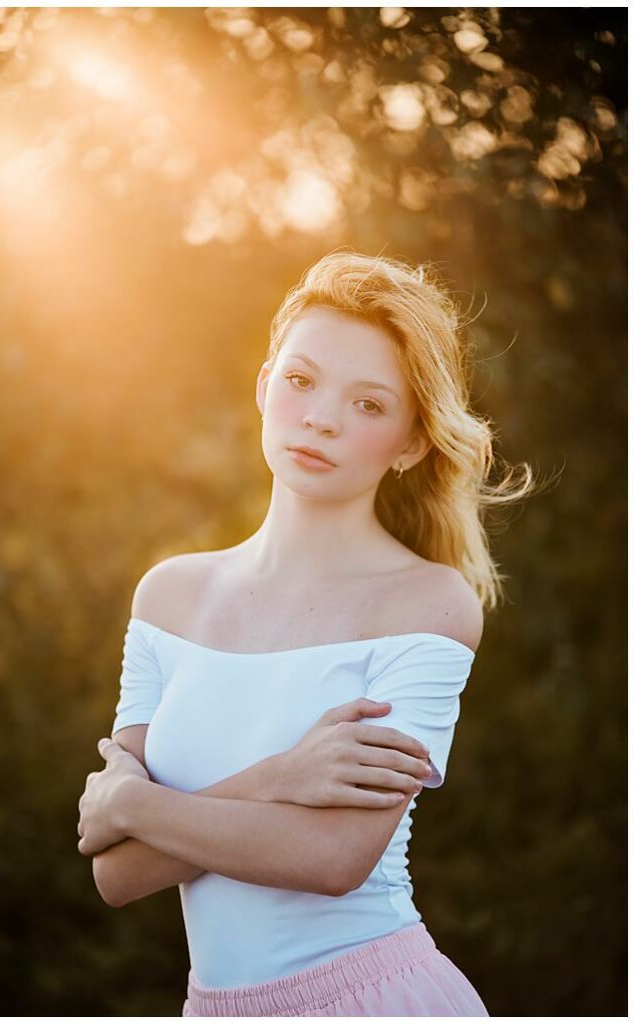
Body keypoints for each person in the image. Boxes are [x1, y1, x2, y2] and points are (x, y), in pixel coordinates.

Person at [77, 251, 535, 1016]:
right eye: (300, 381)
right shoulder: (168, 596)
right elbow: (117, 875)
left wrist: (133, 805)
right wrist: (280, 778)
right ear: (264, 387)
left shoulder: (427, 605)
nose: (321, 416)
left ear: (412, 443)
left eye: (369, 405)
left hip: (372, 998)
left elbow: (333, 860)